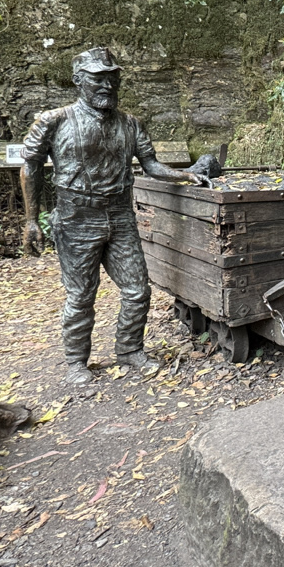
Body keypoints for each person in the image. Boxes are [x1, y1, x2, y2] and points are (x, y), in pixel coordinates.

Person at [20, 47, 209, 385]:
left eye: (113, 78)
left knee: (138, 290)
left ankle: (130, 349)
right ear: (79, 80)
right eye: (98, 78)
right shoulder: (55, 120)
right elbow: (30, 165)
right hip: (76, 219)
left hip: (120, 216)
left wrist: (185, 175)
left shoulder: (130, 123)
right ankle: (76, 362)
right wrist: (31, 219)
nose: (107, 85)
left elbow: (150, 165)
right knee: (81, 295)